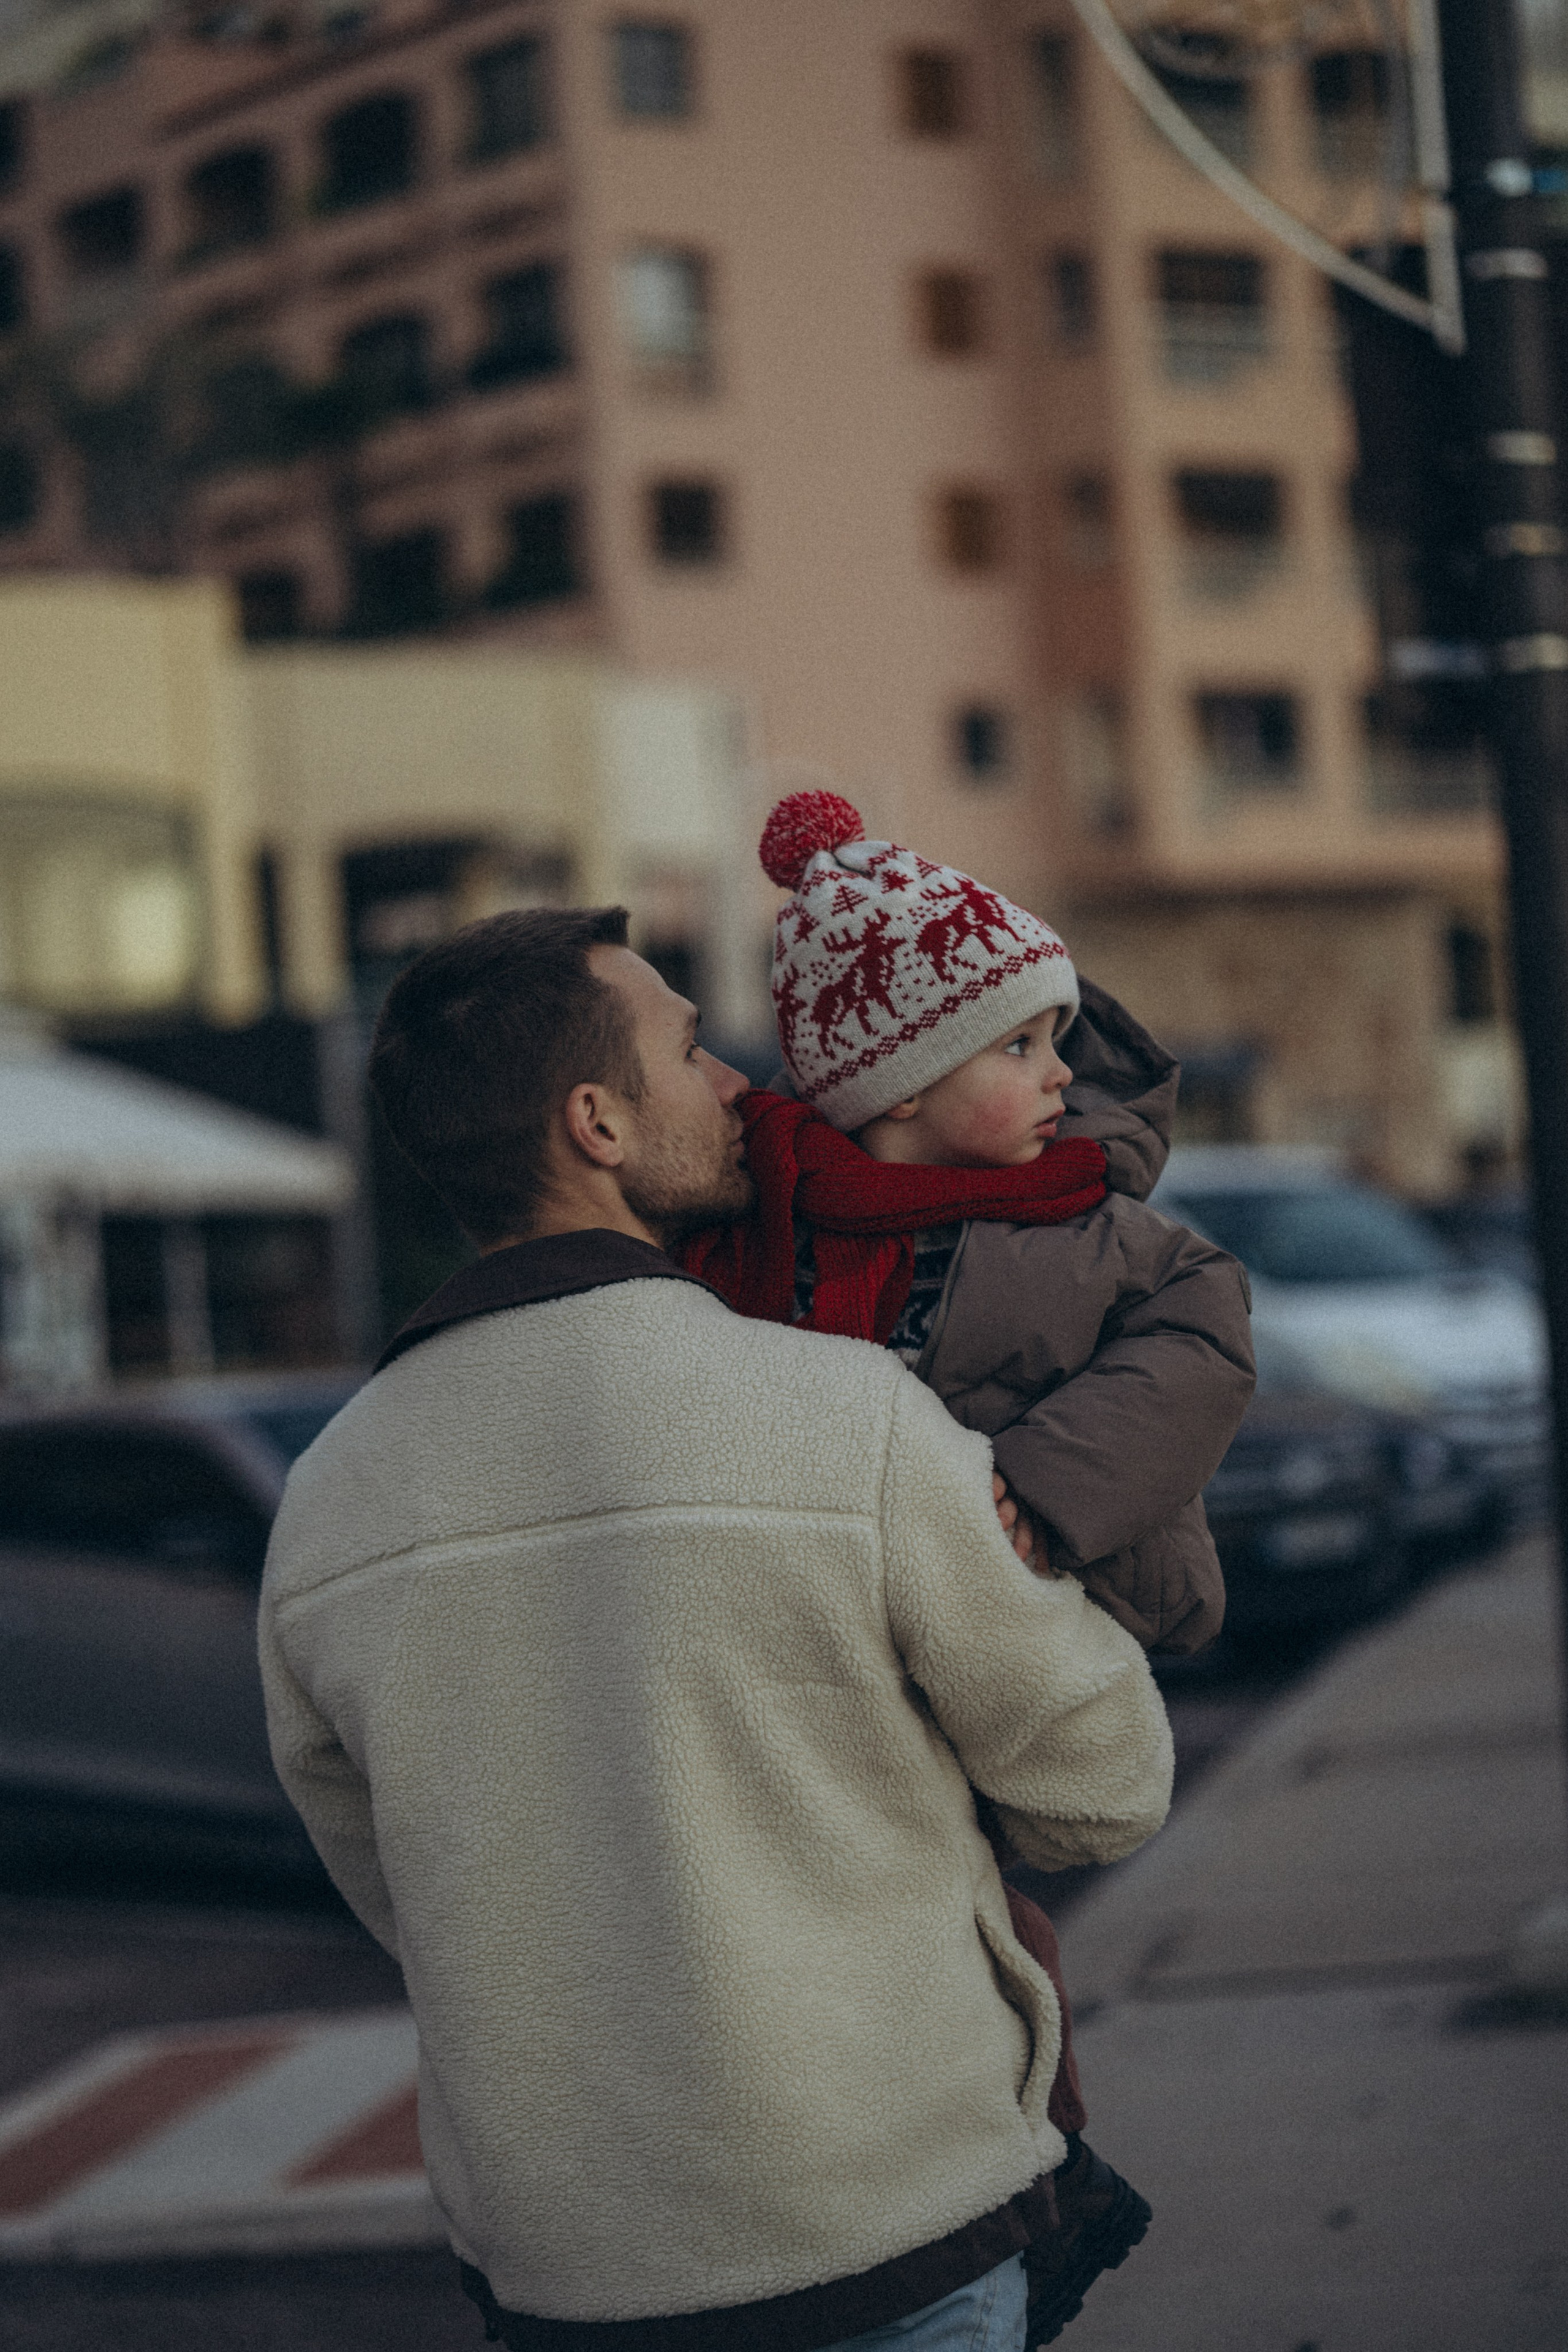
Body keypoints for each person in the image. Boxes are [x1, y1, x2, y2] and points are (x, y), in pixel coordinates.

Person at [258, 905, 1175, 2352]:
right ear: (598, 1122)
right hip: (886, 2228)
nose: (741, 1084)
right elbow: (1102, 1788)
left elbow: (402, 1889)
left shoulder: (323, 1507)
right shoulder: (843, 1416)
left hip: (569, 2273)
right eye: (688, 1047)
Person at [680, 792, 1256, 2345]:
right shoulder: (766, 1234)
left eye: (1057, 1041)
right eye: (1021, 1047)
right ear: (910, 1075)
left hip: (1055, 1596)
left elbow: (1202, 1341)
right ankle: (919, 2160)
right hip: (843, 1651)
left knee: (999, 1926)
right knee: (902, 1910)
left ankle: (1029, 2170)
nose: (1060, 1075)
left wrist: (1051, 1489)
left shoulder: (1083, 1226)